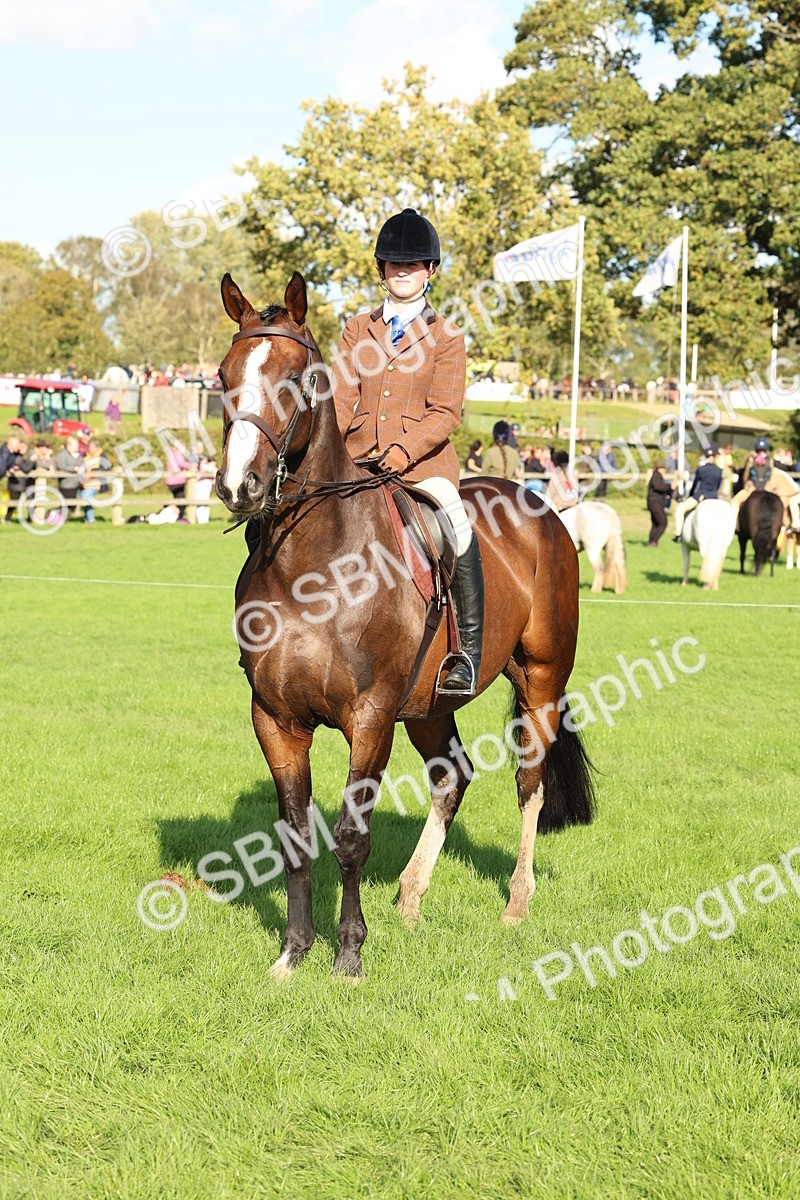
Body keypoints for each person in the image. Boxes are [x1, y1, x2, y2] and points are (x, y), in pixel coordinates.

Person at [332, 206, 482, 694]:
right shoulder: (358, 329)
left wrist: (400, 452)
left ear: (429, 270)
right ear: (382, 269)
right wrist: (331, 451)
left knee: (457, 526)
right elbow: (341, 398)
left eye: (412, 264)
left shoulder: (447, 336)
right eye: (395, 263)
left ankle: (466, 654)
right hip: (358, 461)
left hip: (423, 467)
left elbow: (446, 411)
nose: (402, 271)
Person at [732, 436, 800, 532]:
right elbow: (771, 477)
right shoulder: (770, 461)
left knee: (734, 502)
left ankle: (735, 526)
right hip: (767, 489)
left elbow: (745, 477)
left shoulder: (751, 460)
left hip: (752, 489)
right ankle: (786, 524)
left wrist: (747, 484)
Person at [673, 444, 723, 539]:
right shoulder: (719, 471)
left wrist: (691, 495)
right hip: (713, 497)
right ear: (716, 456)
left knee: (680, 508)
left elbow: (695, 484)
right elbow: (718, 486)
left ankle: (678, 533)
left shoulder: (701, 469)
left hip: (700, 496)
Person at [54, 435, 84, 518]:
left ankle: (62, 518)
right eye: (75, 444)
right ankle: (55, 516)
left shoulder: (79, 455)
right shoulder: (62, 454)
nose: (77, 446)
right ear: (69, 445)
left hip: (77, 484)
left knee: (73, 505)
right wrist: (73, 468)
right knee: (66, 504)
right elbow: (61, 466)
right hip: (66, 484)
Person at [646, 463, 673, 546]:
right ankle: (654, 541)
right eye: (663, 468)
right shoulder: (656, 476)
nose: (664, 470)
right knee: (663, 522)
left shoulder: (657, 476)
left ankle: (651, 541)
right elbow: (658, 487)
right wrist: (669, 486)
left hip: (654, 502)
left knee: (655, 523)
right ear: (659, 468)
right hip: (655, 502)